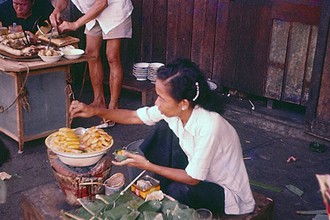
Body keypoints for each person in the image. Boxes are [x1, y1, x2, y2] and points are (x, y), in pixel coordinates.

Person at [69, 58, 256, 215]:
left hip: (225, 193)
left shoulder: (209, 125)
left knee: (179, 190)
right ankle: (162, 190)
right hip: (199, 172)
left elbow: (193, 179)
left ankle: (168, 195)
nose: (156, 102)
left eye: (162, 97)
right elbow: (134, 116)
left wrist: (147, 165)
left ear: (183, 103)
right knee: (165, 128)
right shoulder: (177, 112)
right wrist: (93, 110)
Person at [50, 0, 133, 127]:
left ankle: (113, 105)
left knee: (112, 56)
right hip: (92, 13)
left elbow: (102, 3)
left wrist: (76, 24)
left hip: (114, 9)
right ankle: (98, 100)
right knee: (91, 54)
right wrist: (57, 10)